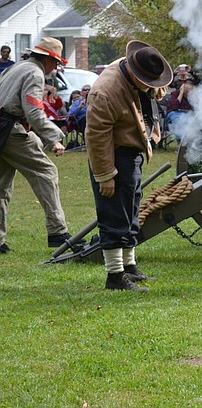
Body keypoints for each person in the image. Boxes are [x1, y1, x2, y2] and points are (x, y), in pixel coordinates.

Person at [85, 40, 172, 291]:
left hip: (131, 152)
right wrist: (105, 176)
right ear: (135, 73)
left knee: (131, 210)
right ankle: (114, 276)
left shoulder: (134, 72)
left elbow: (155, 89)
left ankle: (129, 266)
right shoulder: (106, 91)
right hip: (114, 154)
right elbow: (96, 135)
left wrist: (154, 89)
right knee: (115, 213)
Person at [0, 37, 79, 254]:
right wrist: (54, 137)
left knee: (1, 186)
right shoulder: (34, 73)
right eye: (56, 63)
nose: (56, 68)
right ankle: (58, 232)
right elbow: (34, 110)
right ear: (47, 59)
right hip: (9, 130)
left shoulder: (18, 67)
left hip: (4, 128)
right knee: (46, 172)